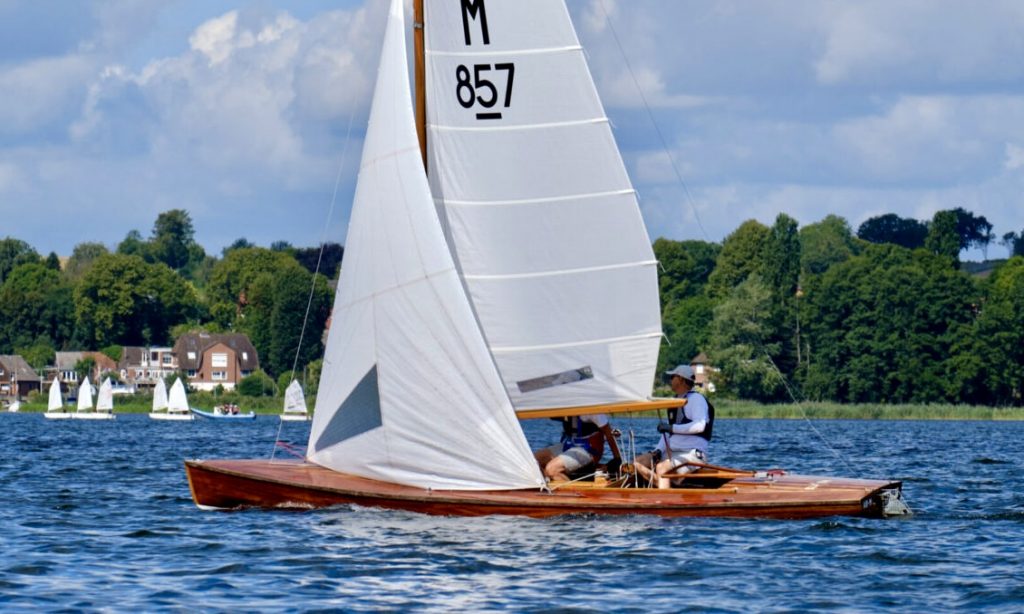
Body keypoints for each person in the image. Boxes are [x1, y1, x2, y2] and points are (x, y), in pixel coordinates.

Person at [635, 365, 714, 489]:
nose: (670, 380)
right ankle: (666, 486)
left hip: (691, 454)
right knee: (638, 462)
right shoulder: (675, 401)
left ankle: (664, 495)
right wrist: (658, 451)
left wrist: (671, 428)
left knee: (662, 468)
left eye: (673, 377)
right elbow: (668, 433)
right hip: (672, 454)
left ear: (681, 379)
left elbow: (700, 426)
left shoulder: (696, 399)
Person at [534, 414, 623, 482]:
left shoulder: (592, 410)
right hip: (568, 445)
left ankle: (571, 496)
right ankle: (544, 487)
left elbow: (609, 434)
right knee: (534, 461)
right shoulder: (563, 407)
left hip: (589, 450)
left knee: (552, 470)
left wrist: (617, 458)